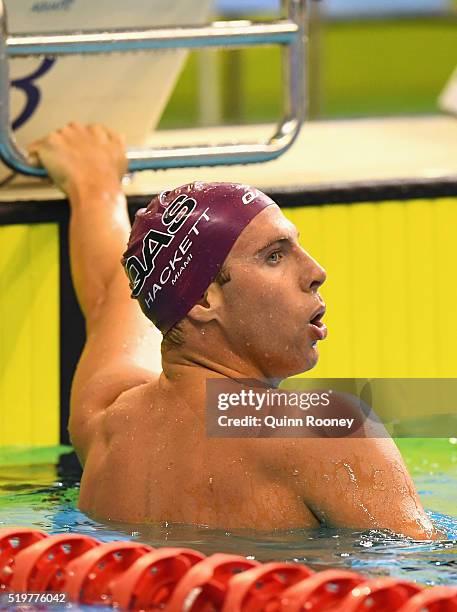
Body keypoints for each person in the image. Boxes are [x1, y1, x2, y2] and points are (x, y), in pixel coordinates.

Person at [30, 123, 440, 539]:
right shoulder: (325, 431)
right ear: (205, 301)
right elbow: (428, 579)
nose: (316, 272)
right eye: (275, 256)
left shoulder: (104, 426)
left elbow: (110, 299)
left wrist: (94, 185)